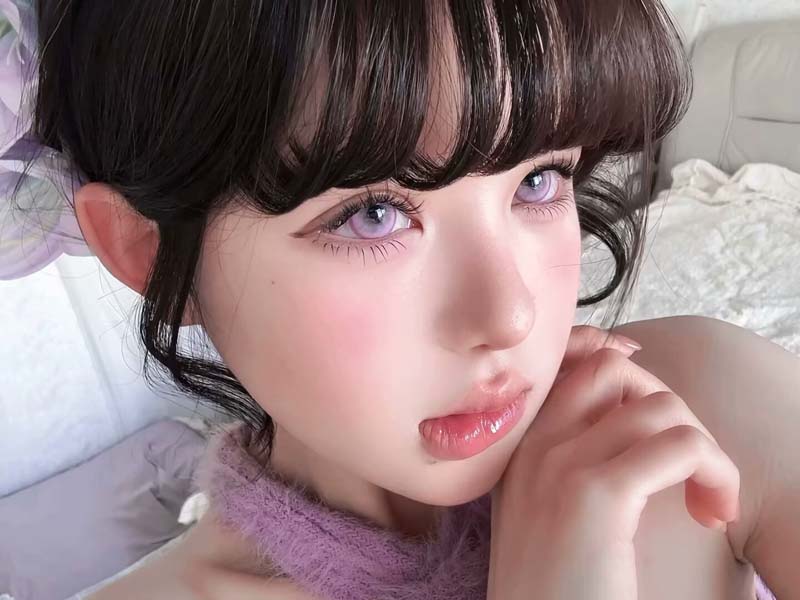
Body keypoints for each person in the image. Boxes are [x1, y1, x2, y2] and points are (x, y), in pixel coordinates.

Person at [0, 1, 796, 598]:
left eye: (539, 180)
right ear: (149, 249)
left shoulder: (708, 407)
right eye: (373, 214)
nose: (509, 316)